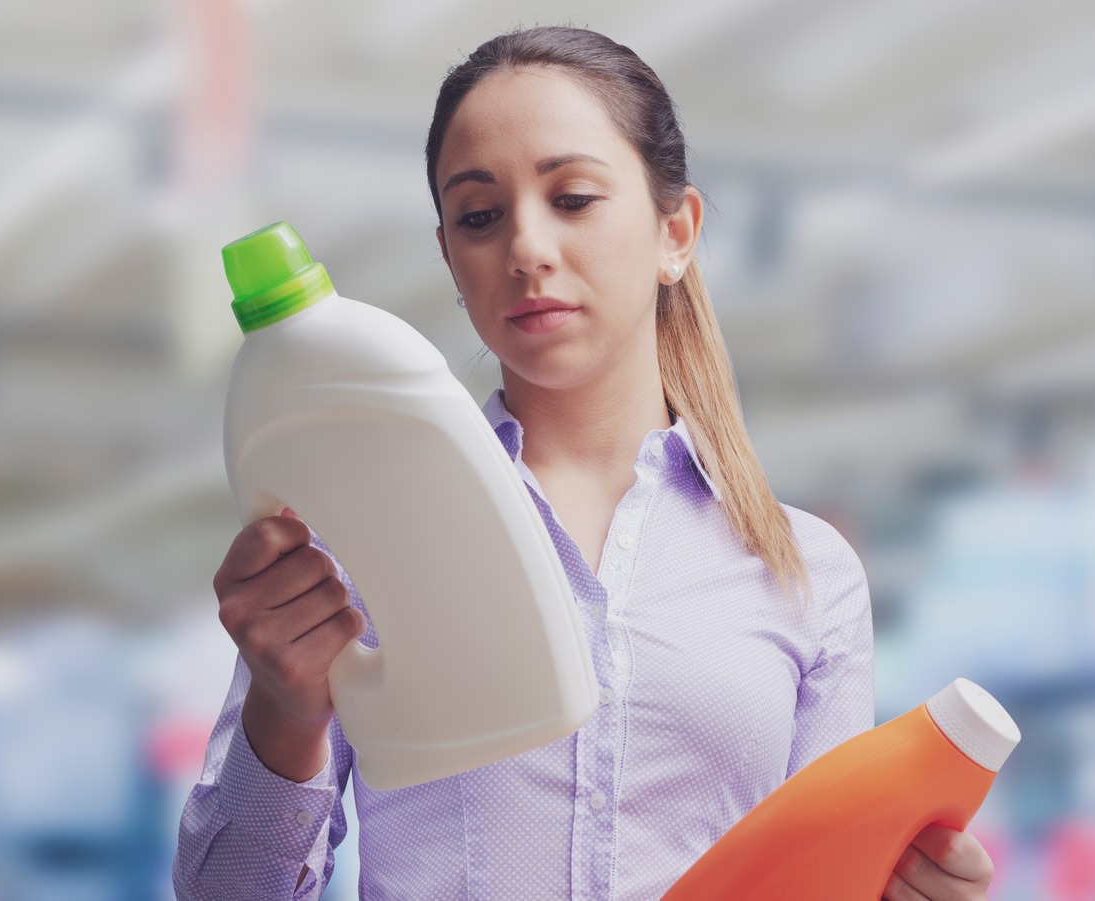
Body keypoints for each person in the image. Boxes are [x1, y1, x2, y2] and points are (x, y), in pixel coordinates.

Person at [174, 25, 993, 901]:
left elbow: (826, 882)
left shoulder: (808, 575)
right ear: (453, 260)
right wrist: (286, 709)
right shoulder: (357, 543)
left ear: (676, 231)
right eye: (480, 217)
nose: (526, 247)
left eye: (572, 197)